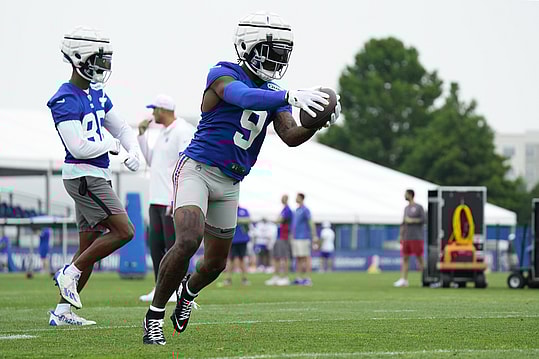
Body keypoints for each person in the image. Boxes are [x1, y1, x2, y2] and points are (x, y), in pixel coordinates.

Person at [142, 11, 341, 345]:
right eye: (272, 50)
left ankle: (188, 293)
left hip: (232, 182)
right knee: (188, 239)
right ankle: (154, 316)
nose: (278, 59)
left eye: (282, 53)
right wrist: (289, 96)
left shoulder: (274, 90)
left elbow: (290, 135)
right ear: (248, 46)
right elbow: (244, 97)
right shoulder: (222, 74)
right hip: (198, 169)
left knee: (217, 263)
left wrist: (316, 124)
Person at [47, 26, 141, 326]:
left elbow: (123, 128)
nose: (102, 67)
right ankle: (69, 273)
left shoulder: (97, 92)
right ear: (78, 59)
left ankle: (62, 312)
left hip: (96, 174)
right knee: (125, 231)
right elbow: (78, 146)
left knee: (88, 246)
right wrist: (113, 146)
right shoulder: (64, 98)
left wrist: (134, 150)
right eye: (97, 60)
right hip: (84, 175)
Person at [137, 94, 196, 302]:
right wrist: (142, 137)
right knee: (156, 247)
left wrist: (176, 197)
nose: (152, 114)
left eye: (155, 110)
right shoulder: (162, 133)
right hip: (156, 199)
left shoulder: (183, 130)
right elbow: (151, 161)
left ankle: (177, 289)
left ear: (163, 110)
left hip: (172, 200)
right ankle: (159, 288)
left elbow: (184, 164)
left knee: (174, 247)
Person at [394, 189, 425, 287]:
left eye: (406, 194)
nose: (404, 196)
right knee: (405, 258)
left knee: (419, 258)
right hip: (406, 237)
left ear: (410, 195)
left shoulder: (419, 207)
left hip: (416, 237)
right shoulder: (406, 208)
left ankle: (424, 279)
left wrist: (412, 220)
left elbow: (423, 220)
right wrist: (401, 235)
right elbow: (403, 223)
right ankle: (404, 280)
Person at [291, 193, 318, 286]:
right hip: (296, 237)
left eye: (297, 197)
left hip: (304, 237)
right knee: (298, 258)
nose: (296, 199)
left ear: (301, 198)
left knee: (306, 257)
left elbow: (311, 222)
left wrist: (314, 235)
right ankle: (298, 278)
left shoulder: (305, 210)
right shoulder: (297, 210)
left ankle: (307, 278)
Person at [220, 206, 251, 286]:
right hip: (233, 239)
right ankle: (228, 279)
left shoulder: (244, 210)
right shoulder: (229, 210)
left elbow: (248, 221)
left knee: (242, 259)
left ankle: (244, 279)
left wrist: (238, 220)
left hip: (243, 239)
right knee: (231, 259)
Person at [266, 195, 293, 286]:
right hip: (279, 236)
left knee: (284, 257)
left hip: (284, 236)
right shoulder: (283, 209)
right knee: (276, 257)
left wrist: (274, 220)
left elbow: (280, 220)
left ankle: (285, 277)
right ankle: (276, 276)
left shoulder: (287, 210)